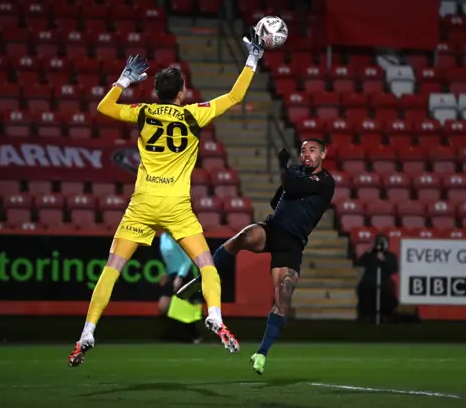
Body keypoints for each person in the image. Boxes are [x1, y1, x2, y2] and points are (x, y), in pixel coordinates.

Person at [67, 27, 266, 367]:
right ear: (182, 92)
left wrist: (124, 80)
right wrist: (252, 58)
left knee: (112, 269)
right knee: (207, 266)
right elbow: (234, 97)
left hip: (142, 204)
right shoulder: (193, 113)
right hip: (176, 206)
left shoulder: (143, 111)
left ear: (157, 91)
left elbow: (104, 107)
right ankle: (215, 315)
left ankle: (88, 331)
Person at [176, 139, 336, 375]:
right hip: (273, 229)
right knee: (245, 235)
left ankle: (261, 353)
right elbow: (278, 198)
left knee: (283, 296)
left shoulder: (326, 182)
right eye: (303, 150)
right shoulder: (295, 173)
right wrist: (288, 185)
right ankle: (203, 280)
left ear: (323, 154)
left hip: (292, 244)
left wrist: (283, 164)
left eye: (312, 150)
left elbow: (292, 188)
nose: (306, 154)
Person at [158, 231, 202, 343]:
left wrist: (180, 276)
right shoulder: (163, 237)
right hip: (171, 274)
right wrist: (166, 272)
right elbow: (169, 259)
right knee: (163, 306)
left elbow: (188, 259)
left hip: (184, 274)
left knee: (185, 307)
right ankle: (173, 333)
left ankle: (194, 335)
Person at [354, 234, 399, 323]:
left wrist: (384, 260)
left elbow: (394, 269)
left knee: (387, 295)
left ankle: (384, 315)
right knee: (364, 291)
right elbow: (358, 263)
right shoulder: (369, 255)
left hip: (383, 284)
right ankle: (366, 316)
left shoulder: (391, 256)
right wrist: (370, 253)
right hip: (368, 282)